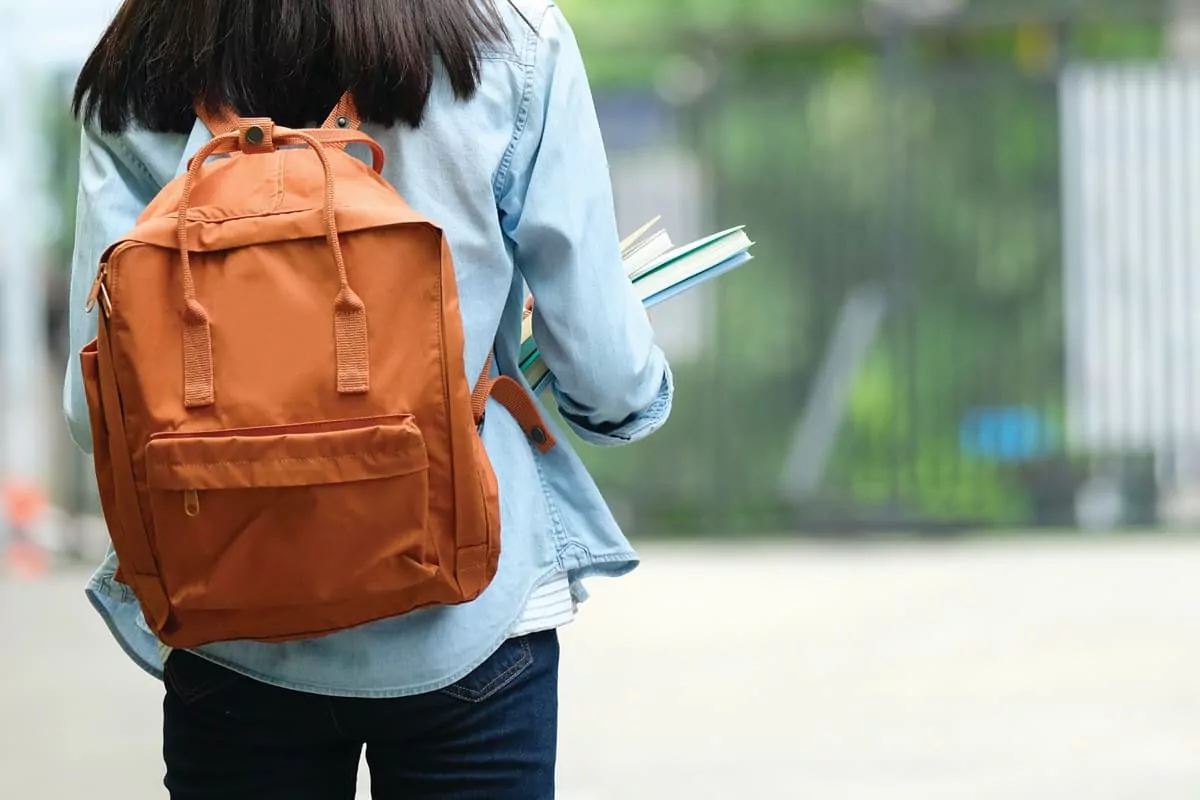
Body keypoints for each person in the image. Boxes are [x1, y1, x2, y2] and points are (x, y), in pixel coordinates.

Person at [64, 1, 673, 797]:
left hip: (229, 626)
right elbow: (605, 371)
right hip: (470, 617)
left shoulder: (142, 57)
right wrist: (625, 400)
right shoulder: (509, 41)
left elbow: (94, 410)